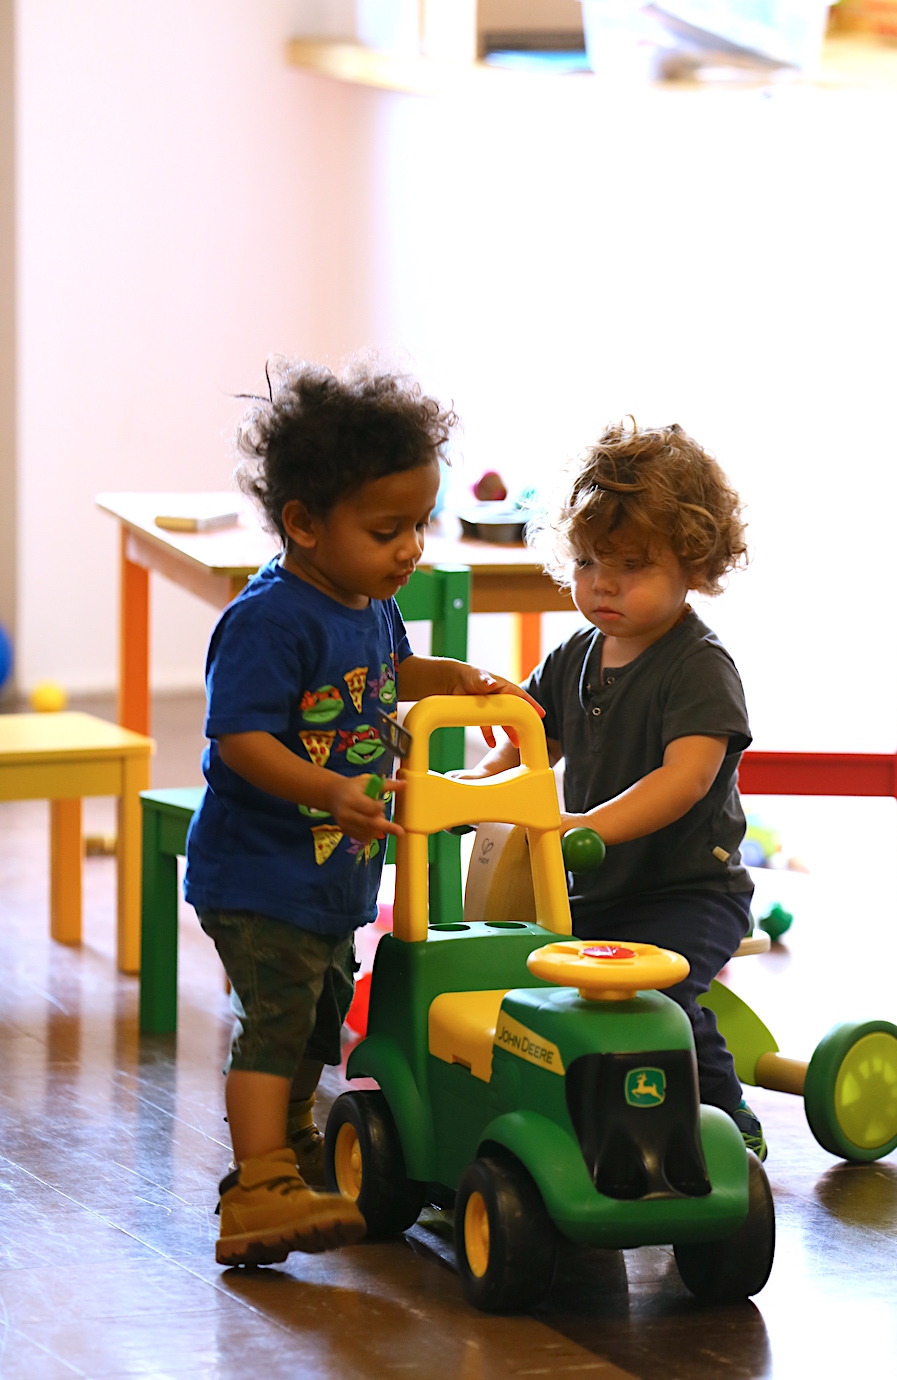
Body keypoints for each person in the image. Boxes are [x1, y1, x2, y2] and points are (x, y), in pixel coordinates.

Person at [184, 358, 540, 1267]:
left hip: (329, 879)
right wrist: (329, 788)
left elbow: (388, 678)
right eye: (388, 529)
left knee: (318, 1015)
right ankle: (256, 1184)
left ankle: (296, 1149)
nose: (412, 548)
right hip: (259, 872)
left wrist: (447, 678)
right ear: (304, 525)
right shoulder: (270, 620)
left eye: (419, 524)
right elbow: (240, 741)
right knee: (273, 1018)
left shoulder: (369, 605)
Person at [459, 420, 766, 1159]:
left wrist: (585, 825)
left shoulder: (698, 666)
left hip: (687, 891)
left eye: (632, 564)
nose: (603, 582)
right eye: (591, 560)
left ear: (694, 564)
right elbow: (531, 741)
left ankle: (728, 1117)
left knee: (656, 996)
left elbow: (685, 779)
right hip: (596, 893)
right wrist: (473, 786)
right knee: (542, 1003)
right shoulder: (575, 655)